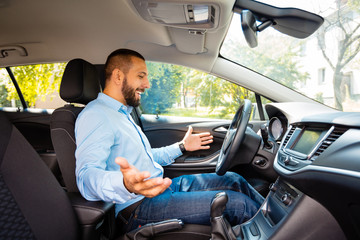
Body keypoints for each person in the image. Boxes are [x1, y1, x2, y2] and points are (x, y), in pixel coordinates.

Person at [75, 49, 264, 233]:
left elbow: (147, 158)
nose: (147, 84)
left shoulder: (122, 113)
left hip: (160, 188)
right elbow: (85, 177)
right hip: (137, 207)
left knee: (234, 180)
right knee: (239, 205)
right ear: (118, 76)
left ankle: (276, 218)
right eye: (141, 76)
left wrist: (182, 147)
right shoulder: (96, 115)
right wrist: (124, 183)